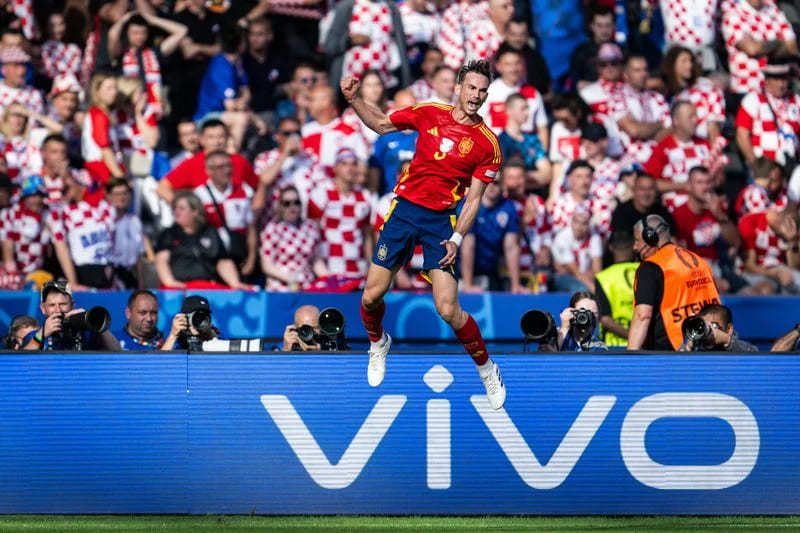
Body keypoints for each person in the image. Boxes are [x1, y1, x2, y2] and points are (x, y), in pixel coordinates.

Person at [341, 58, 506, 409]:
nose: (476, 96)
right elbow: (383, 124)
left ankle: (487, 367)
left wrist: (457, 238)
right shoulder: (429, 111)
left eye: (482, 91)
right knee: (371, 296)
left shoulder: (487, 144)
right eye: (471, 88)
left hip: (440, 222)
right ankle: (377, 342)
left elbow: (474, 199)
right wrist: (355, 100)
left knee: (448, 309)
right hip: (404, 211)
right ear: (458, 88)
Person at [627, 214, 721, 350]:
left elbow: (643, 316)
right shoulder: (699, 261)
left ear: (651, 238)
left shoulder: (651, 267)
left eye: (637, 240)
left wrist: (629, 362)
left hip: (672, 356)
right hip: (710, 347)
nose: (635, 247)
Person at [154, 191, 251, 290]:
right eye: (175, 208)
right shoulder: (169, 234)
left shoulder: (209, 231)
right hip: (180, 287)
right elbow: (161, 261)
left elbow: (223, 261)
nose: (176, 212)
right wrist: (170, 282)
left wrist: (234, 283)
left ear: (195, 211)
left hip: (207, 286)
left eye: (181, 209)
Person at [156, 119, 258, 205]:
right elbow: (162, 188)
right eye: (211, 137)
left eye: (221, 137)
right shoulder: (192, 164)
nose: (216, 142)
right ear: (202, 140)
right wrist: (187, 210)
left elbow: (258, 187)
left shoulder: (239, 161)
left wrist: (254, 211)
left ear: (227, 138)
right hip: (206, 224)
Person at [307, 148, 374, 277]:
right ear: (335, 168)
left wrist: (370, 265)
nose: (350, 168)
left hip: (358, 269)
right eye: (344, 164)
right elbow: (311, 232)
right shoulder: (321, 193)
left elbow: (367, 236)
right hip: (329, 269)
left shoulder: (365, 196)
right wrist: (319, 268)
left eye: (354, 164)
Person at [192, 150, 257, 276]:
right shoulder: (199, 195)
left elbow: (251, 228)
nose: (226, 170)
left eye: (229, 165)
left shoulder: (244, 190)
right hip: (211, 258)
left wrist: (251, 259)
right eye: (221, 167)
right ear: (208, 171)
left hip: (238, 256)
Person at [460, 179, 524, 293]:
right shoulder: (468, 206)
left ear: (503, 185)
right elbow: (467, 246)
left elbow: (511, 247)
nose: (491, 186)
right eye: (487, 182)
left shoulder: (509, 207)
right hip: (460, 274)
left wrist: (515, 285)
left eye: (496, 182)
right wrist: (468, 284)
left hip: (490, 272)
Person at [721, 0, 797, 95]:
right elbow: (752, 49)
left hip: (777, 89)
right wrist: (780, 42)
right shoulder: (733, 14)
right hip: (748, 88)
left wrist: (762, 45)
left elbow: (792, 48)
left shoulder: (773, 9)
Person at [735, 61, 800, 169]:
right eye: (776, 79)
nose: (781, 84)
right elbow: (742, 135)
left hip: (791, 166)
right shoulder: (753, 99)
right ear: (767, 80)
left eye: (784, 79)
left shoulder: (796, 101)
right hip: (764, 167)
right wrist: (755, 165)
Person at [261, 185, 326, 291]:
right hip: (280, 288)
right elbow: (267, 265)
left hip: (307, 287)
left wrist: (328, 279)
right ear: (280, 206)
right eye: (287, 203)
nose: (292, 207)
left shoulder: (310, 227)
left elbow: (316, 260)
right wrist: (292, 279)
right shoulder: (273, 228)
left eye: (296, 202)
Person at [25, 280, 120, 351]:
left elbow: (117, 351)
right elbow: (20, 364)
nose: (58, 310)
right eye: (52, 305)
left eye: (63, 304)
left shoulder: (87, 333)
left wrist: (93, 323)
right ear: (43, 308)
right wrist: (41, 335)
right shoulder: (34, 337)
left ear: (72, 305)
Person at [739, 205, 800, 294]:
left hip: (781, 270)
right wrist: (775, 273)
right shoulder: (750, 223)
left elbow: (793, 267)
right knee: (766, 289)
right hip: (757, 272)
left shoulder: (788, 232)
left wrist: (792, 242)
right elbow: (749, 265)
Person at [498, 93, 551, 189]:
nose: (527, 113)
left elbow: (547, 173)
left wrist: (520, 178)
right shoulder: (500, 141)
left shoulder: (532, 140)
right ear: (509, 111)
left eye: (527, 108)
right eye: (523, 109)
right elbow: (499, 177)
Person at [595, 231, 639, 347]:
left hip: (613, 346)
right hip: (644, 344)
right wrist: (639, 337)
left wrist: (631, 336)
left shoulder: (603, 277)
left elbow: (605, 319)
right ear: (634, 246)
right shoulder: (646, 270)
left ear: (610, 247)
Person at [551, 205, 603, 293]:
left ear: (589, 224)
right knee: (581, 289)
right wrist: (592, 287)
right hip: (564, 277)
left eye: (584, 223)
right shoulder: (562, 237)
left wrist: (591, 277)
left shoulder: (594, 237)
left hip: (585, 276)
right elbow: (574, 270)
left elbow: (597, 270)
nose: (579, 227)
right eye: (576, 222)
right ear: (571, 221)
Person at [106, 178, 145, 289]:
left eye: (125, 193)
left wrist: (141, 284)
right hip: (112, 273)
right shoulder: (105, 221)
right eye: (117, 194)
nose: (122, 197)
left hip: (130, 273)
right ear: (109, 196)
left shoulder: (135, 221)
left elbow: (139, 256)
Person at [610, 172, 676, 237]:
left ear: (656, 191)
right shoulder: (621, 213)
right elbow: (621, 244)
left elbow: (673, 241)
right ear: (634, 190)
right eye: (642, 189)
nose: (646, 194)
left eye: (650, 189)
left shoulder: (662, 212)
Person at [569, 6, 618, 90]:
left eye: (608, 25)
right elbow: (576, 82)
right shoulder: (581, 52)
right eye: (599, 25)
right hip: (591, 97)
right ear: (592, 26)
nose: (604, 30)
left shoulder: (622, 51)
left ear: (614, 26)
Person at [680, 303, 759, 352]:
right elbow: (676, 367)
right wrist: (688, 347)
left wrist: (727, 341)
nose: (709, 330)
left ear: (729, 330)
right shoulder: (697, 348)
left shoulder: (737, 347)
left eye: (714, 325)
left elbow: (755, 355)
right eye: (704, 326)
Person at [0, 46, 43, 115]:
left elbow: (36, 122)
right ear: (4, 70)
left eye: (23, 65)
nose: (22, 71)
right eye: (16, 66)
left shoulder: (34, 94)